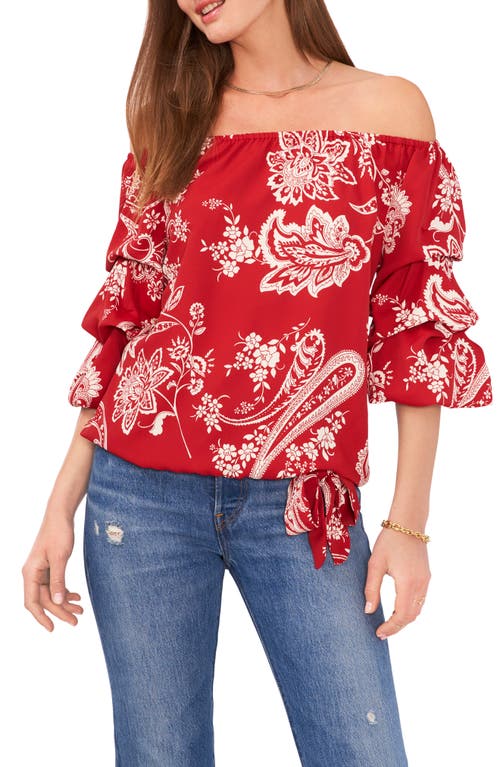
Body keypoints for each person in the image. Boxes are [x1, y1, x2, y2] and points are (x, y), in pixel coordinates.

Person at [22, 1, 493, 765]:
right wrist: (58, 505)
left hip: (303, 505)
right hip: (139, 495)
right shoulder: (174, 117)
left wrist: (408, 526)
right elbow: (130, 322)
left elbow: (416, 326)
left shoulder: (389, 111)